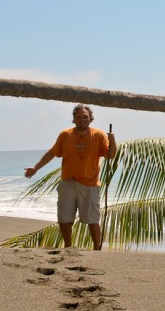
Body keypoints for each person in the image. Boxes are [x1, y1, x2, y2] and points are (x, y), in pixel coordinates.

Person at [25, 104, 117, 250]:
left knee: (92, 219)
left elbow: (110, 155)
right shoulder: (65, 135)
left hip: (90, 183)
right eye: (78, 117)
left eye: (85, 116)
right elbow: (52, 153)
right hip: (68, 182)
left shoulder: (99, 135)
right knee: (64, 217)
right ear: (73, 119)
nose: (82, 119)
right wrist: (36, 168)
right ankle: (68, 247)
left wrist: (112, 141)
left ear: (90, 119)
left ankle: (97, 250)